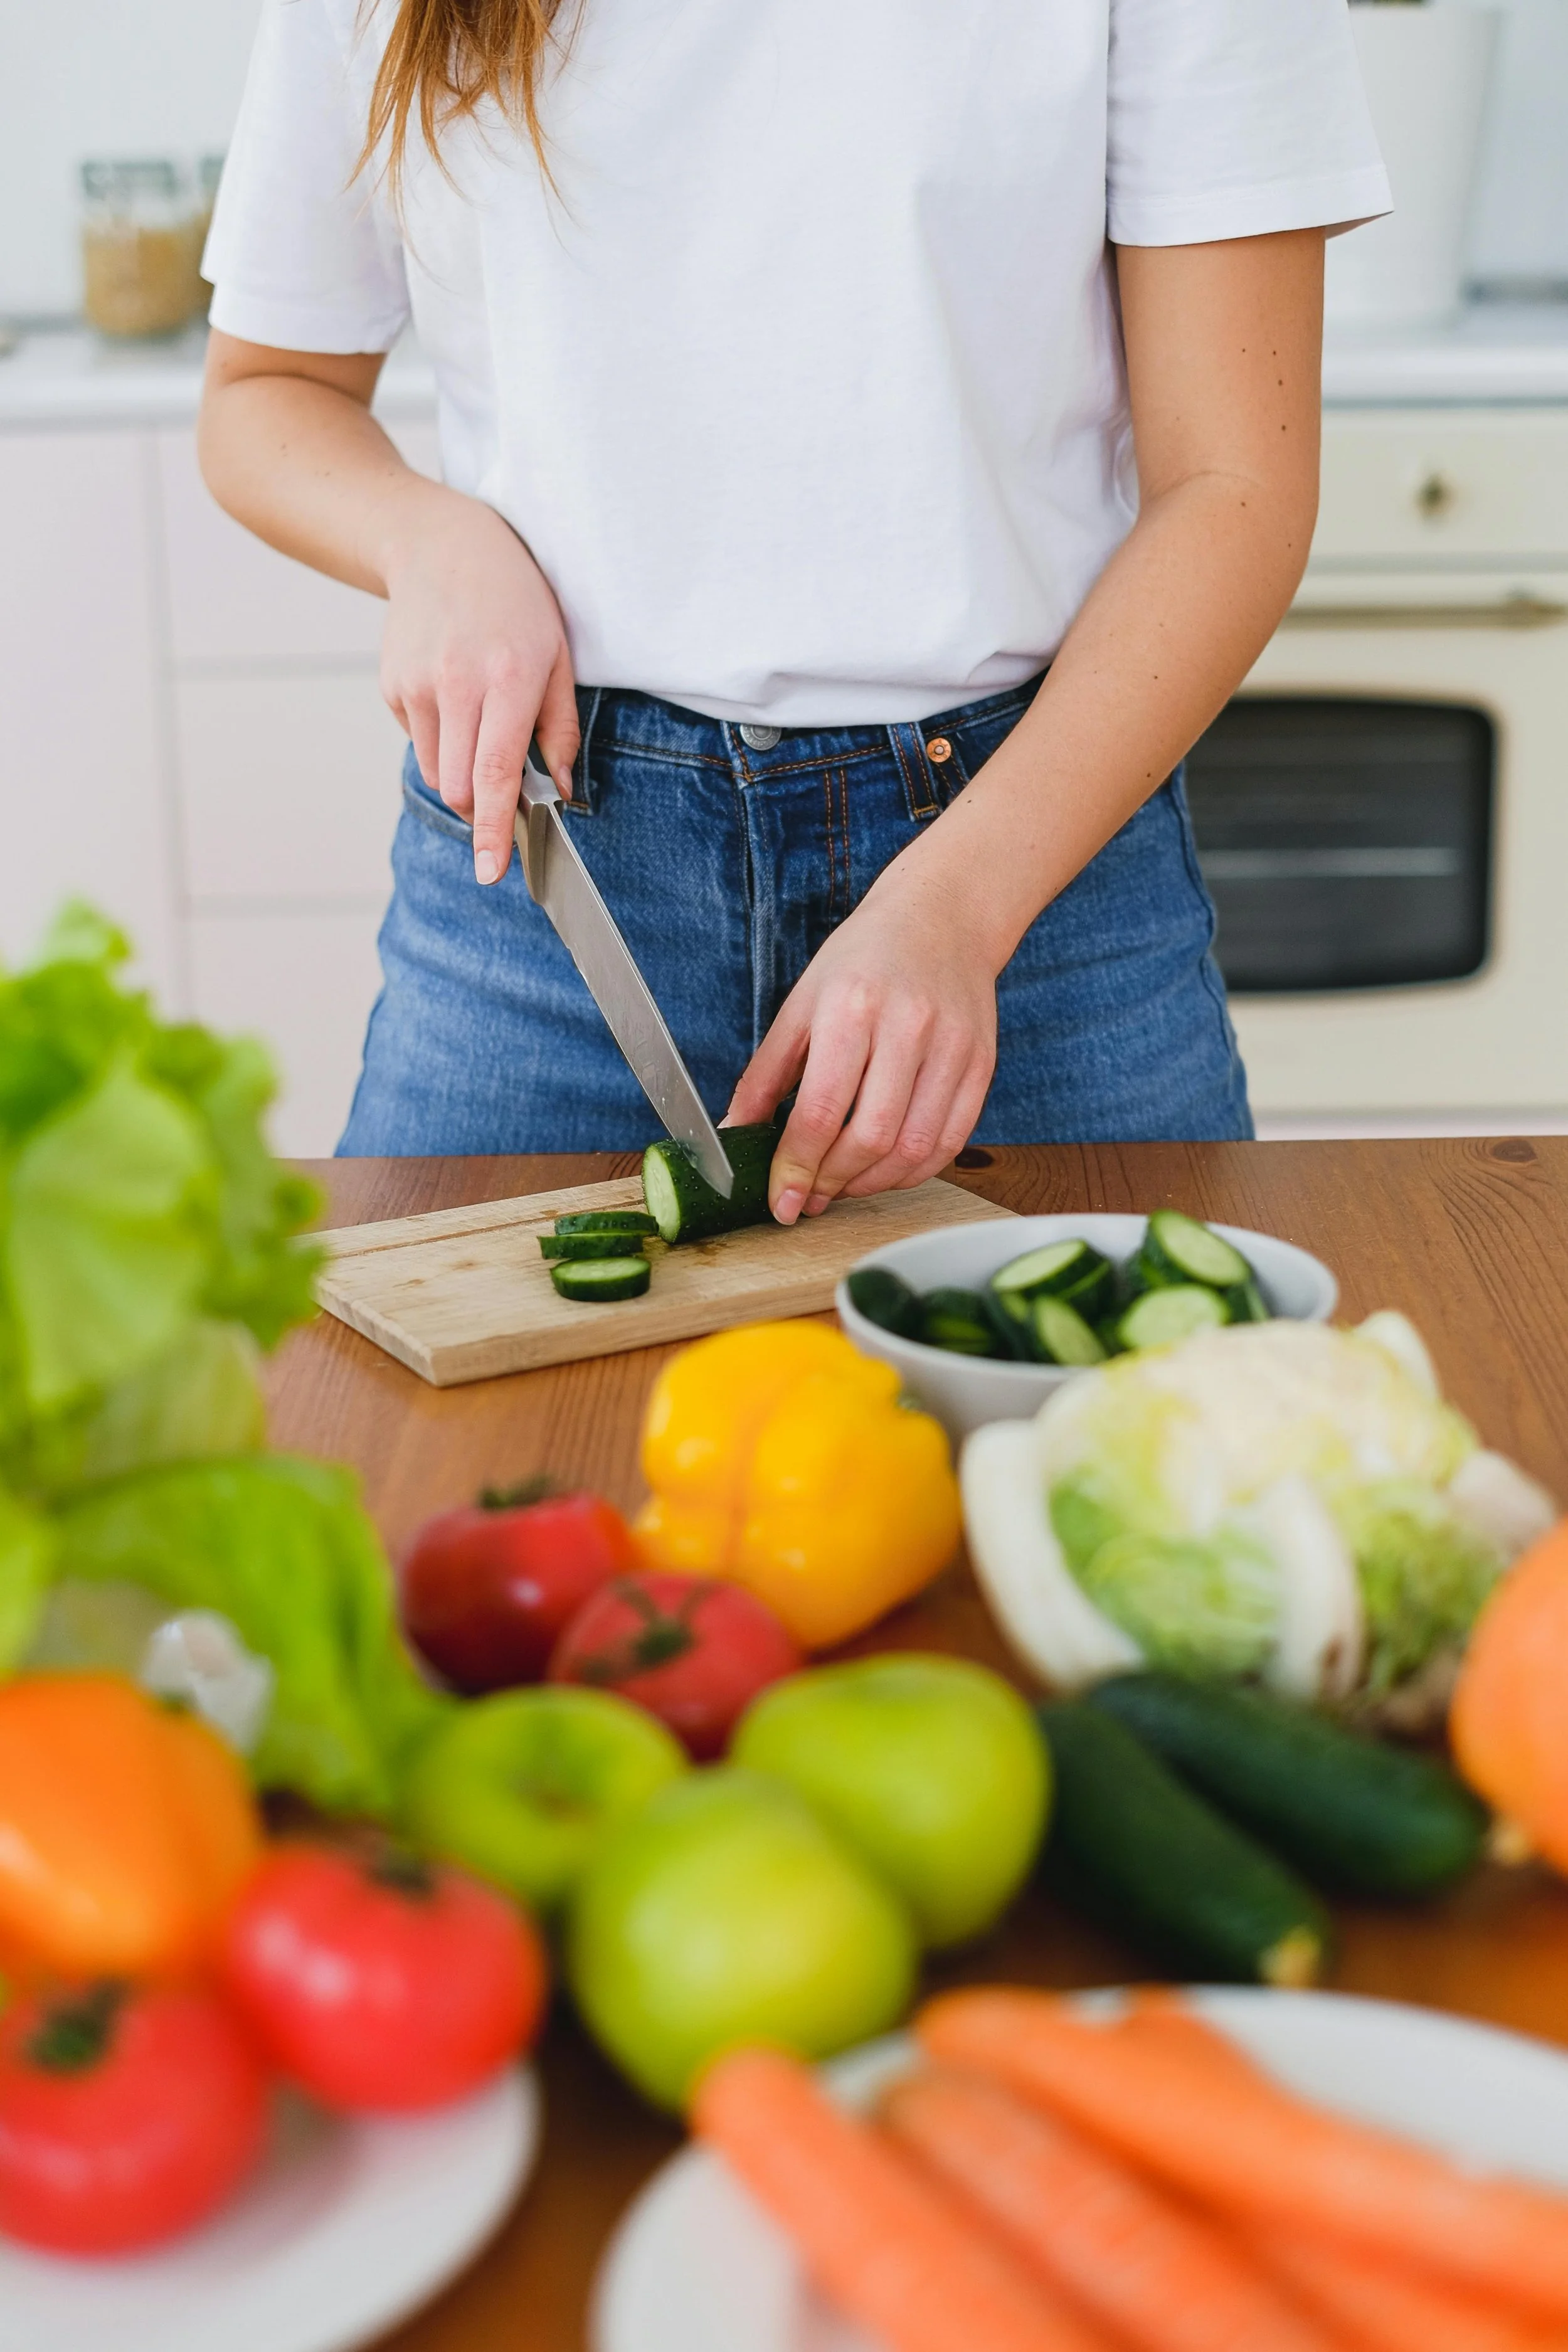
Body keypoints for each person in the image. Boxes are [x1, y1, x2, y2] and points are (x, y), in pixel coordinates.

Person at [198, 0, 1388, 1222]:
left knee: (1158, 1409)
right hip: (553, 884)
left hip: (1035, 871)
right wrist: (427, 540)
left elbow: (1231, 486)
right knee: (410, 1404)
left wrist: (959, 907)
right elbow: (265, 392)